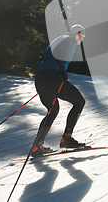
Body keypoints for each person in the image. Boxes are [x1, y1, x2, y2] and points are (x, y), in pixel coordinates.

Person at [31, 26, 86, 157]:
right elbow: (61, 52)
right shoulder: (69, 39)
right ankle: (67, 138)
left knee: (53, 110)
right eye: (82, 36)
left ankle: (37, 146)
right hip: (53, 76)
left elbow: (41, 58)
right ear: (78, 34)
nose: (82, 39)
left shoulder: (58, 39)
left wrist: (40, 77)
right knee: (79, 102)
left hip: (41, 78)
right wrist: (61, 69)